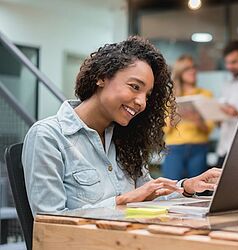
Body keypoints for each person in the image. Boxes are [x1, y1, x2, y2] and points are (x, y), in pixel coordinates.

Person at [22, 36, 221, 216]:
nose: (142, 102)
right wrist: (122, 201)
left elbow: (149, 193)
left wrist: (186, 186)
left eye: (147, 95)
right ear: (101, 77)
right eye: (135, 87)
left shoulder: (125, 139)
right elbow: (48, 222)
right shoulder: (49, 137)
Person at [162, 55, 215, 180]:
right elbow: (166, 129)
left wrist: (196, 120)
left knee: (198, 191)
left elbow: (209, 129)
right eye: (188, 68)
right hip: (175, 149)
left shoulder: (205, 95)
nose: (193, 71)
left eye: (194, 67)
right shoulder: (170, 97)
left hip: (199, 148)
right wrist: (176, 116)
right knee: (171, 189)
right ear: (180, 72)